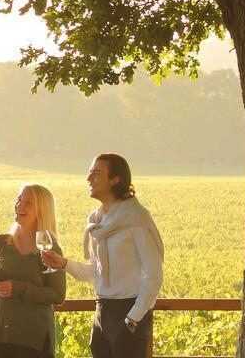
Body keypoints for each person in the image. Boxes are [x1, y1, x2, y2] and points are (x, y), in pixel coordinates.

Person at [42, 153, 164, 358]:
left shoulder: (136, 219)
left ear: (115, 179)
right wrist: (63, 263)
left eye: (95, 174)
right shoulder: (97, 221)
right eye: (89, 173)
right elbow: (95, 273)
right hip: (102, 310)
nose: (89, 179)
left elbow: (154, 275)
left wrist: (133, 319)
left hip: (129, 311)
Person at [0, 183, 66, 358]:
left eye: (28, 202)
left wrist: (18, 288)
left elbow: (57, 295)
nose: (19, 205)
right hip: (1, 337)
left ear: (42, 211)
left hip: (34, 340)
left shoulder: (50, 250)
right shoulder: (1, 243)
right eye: (19, 199)